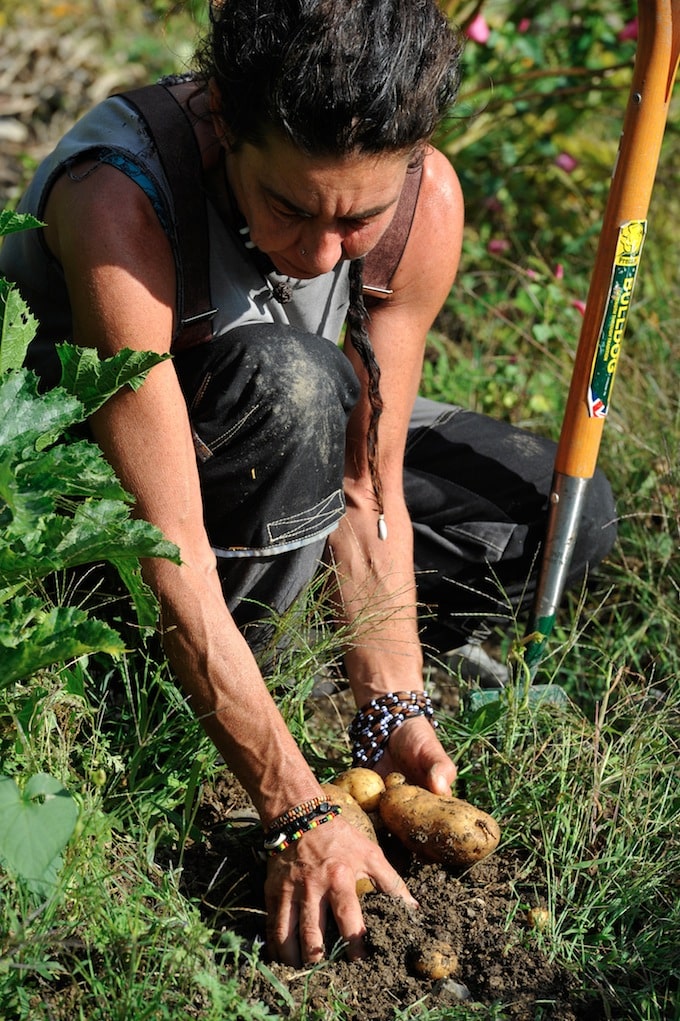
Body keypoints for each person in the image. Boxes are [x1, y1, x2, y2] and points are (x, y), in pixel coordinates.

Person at [0, 0, 616, 967]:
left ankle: (277, 661)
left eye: (358, 218)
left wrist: (392, 708)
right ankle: (174, 695)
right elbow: (167, 543)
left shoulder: (424, 205)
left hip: (276, 457)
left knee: (550, 518)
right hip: (84, 515)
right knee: (292, 384)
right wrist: (296, 805)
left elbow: (371, 491)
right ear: (223, 125)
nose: (325, 254)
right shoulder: (120, 199)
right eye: (289, 209)